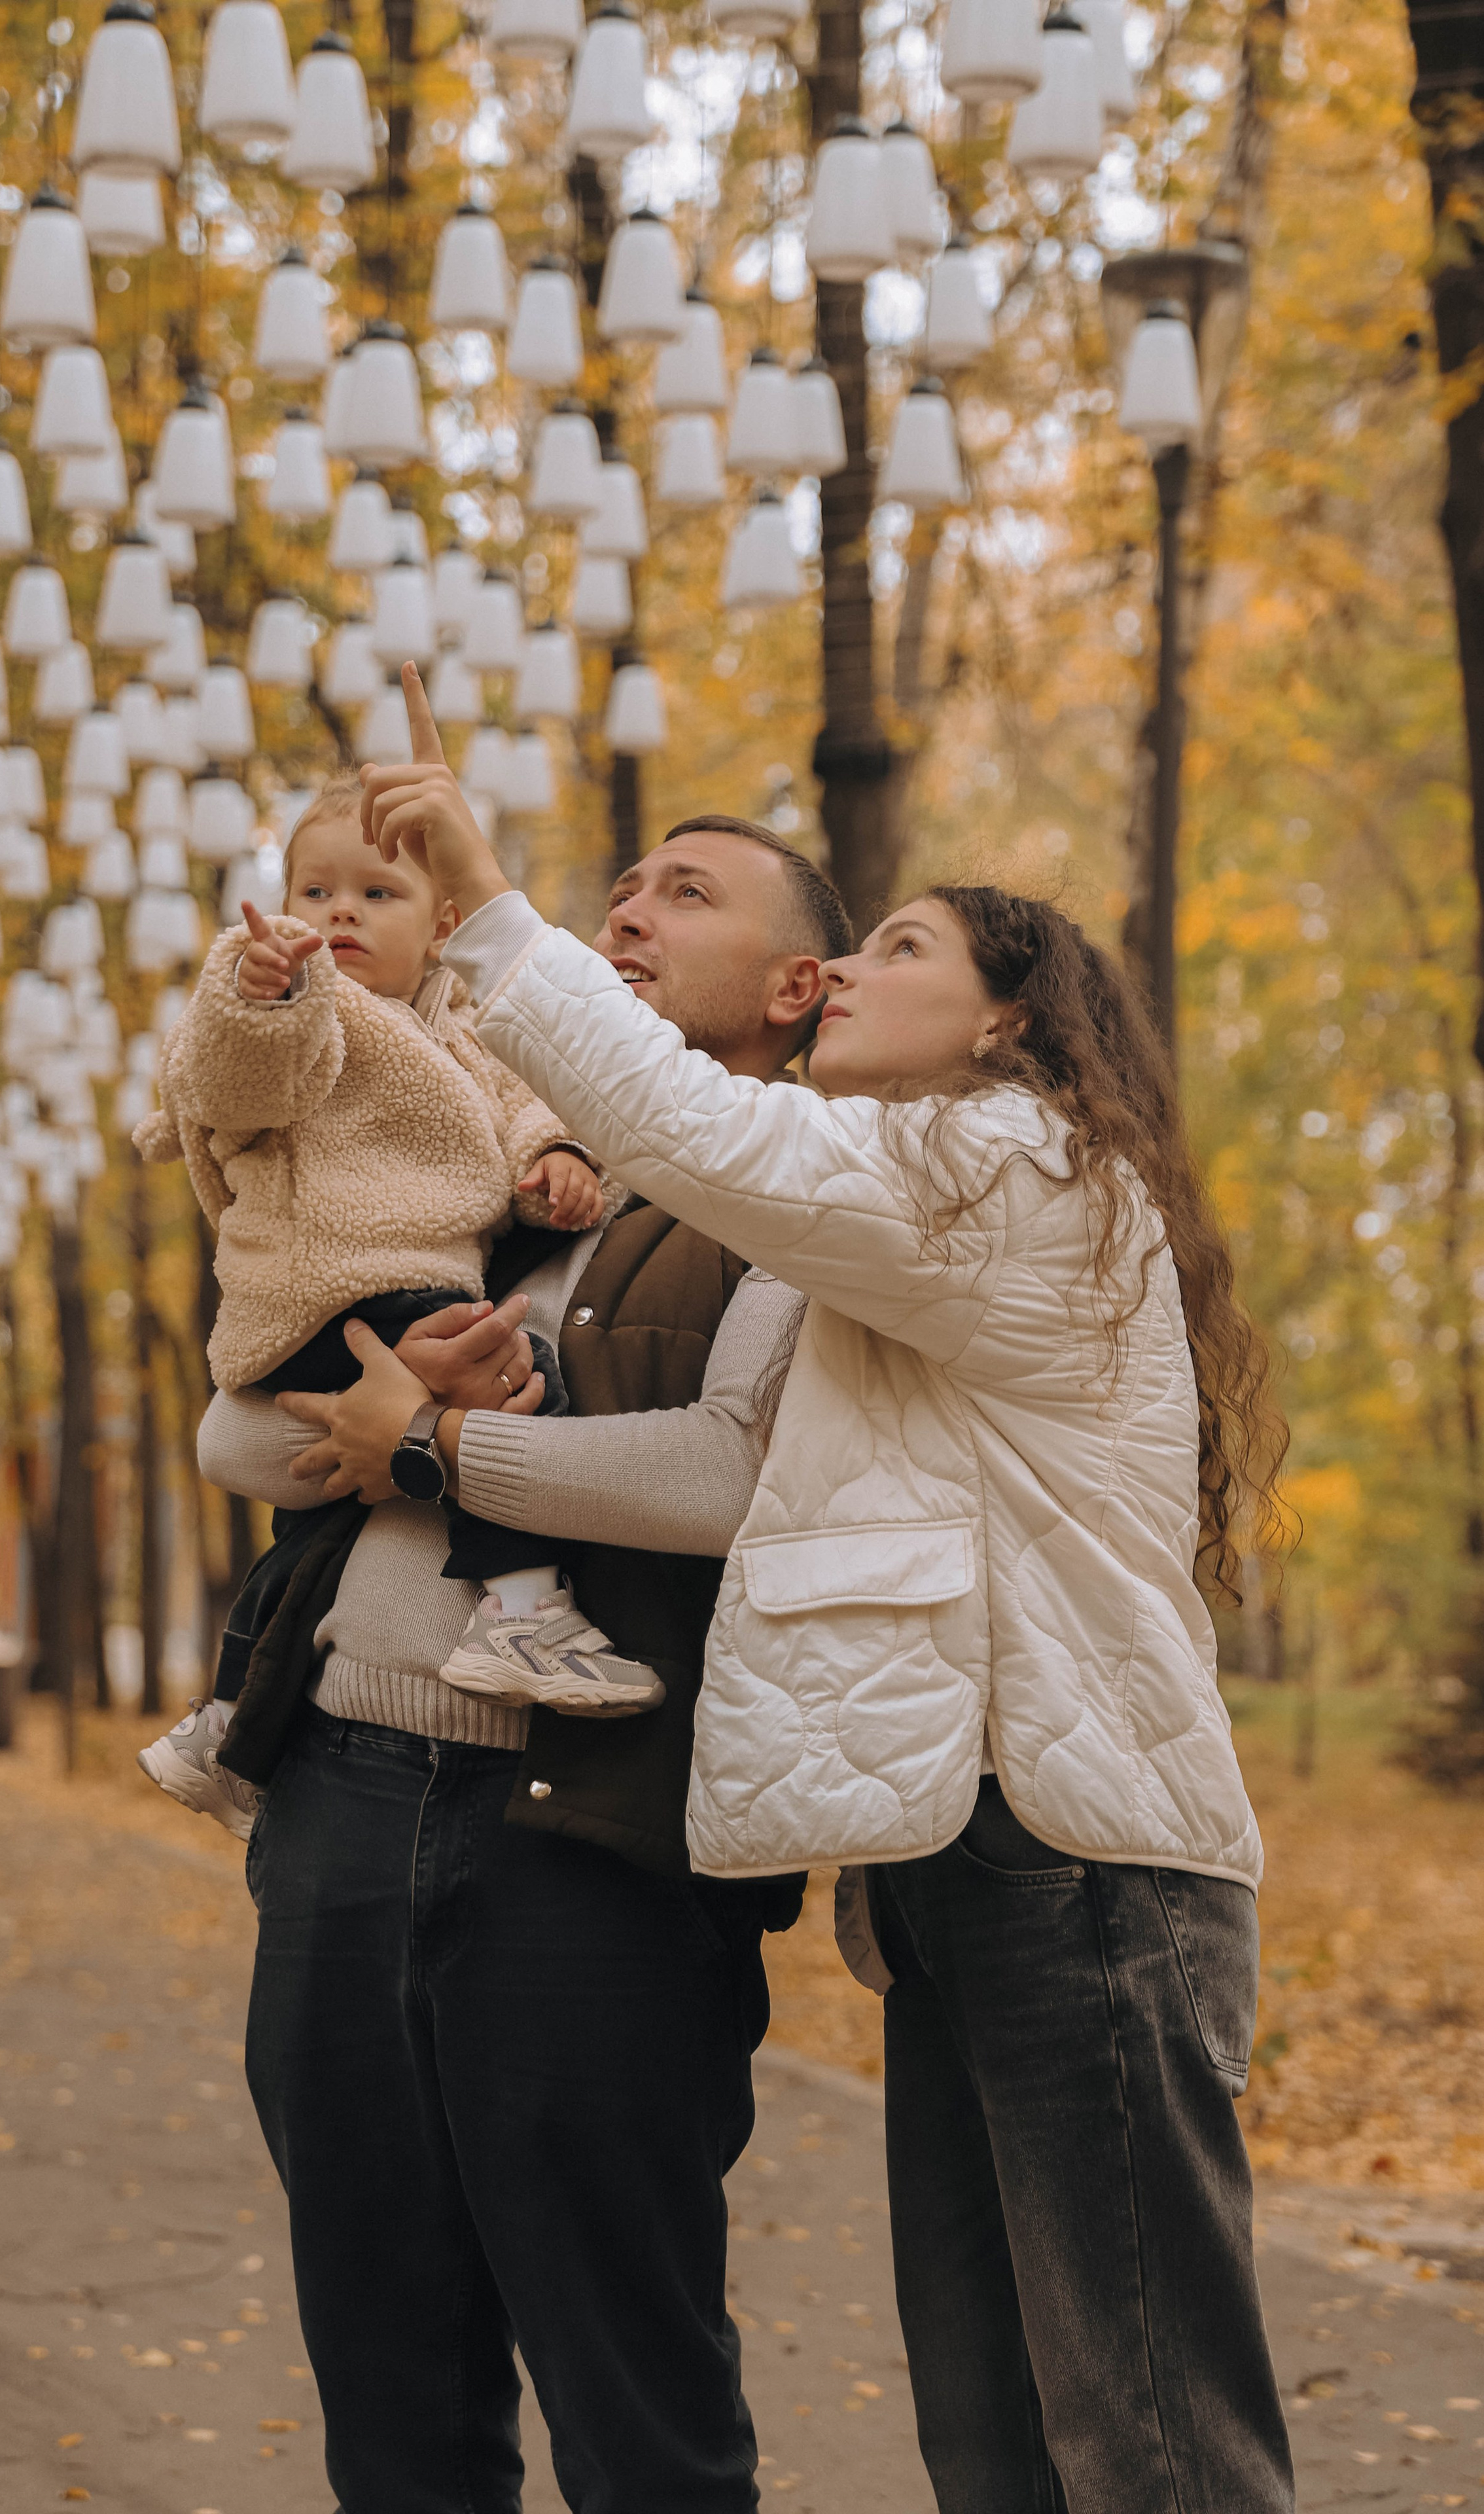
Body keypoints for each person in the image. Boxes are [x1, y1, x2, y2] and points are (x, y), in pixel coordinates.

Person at [339, 662, 1296, 2514]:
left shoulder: (1016, 1165)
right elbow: (705, 1181)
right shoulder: (906, 1209)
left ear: (1009, 1020)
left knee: (1151, 2448)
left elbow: (706, 1140)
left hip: (1084, 1872)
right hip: (974, 1855)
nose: (846, 971)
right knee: (999, 2436)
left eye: (899, 947)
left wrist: (480, 907)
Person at [196, 806, 854, 2514]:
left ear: (798, 986)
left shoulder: (814, 1192)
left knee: (636, 2404)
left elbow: (727, 1480)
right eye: (621, 887)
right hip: (340, 1795)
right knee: (390, 2385)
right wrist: (397, 1402)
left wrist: (428, 1445)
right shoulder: (483, 1171)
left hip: (592, 1840)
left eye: (685, 895)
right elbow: (238, 1436)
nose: (627, 913)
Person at [132, 779, 658, 1844]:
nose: (340, 911)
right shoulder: (302, 1006)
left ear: (444, 926)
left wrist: (557, 1154)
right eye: (314, 889)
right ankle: (523, 1607)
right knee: (519, 1378)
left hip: (392, 1289)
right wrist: (263, 996)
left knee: (316, 1523)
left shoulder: (466, 1030)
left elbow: (520, 1106)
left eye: (377, 892)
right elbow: (236, 1084)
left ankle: (229, 1714)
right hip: (326, 1285)